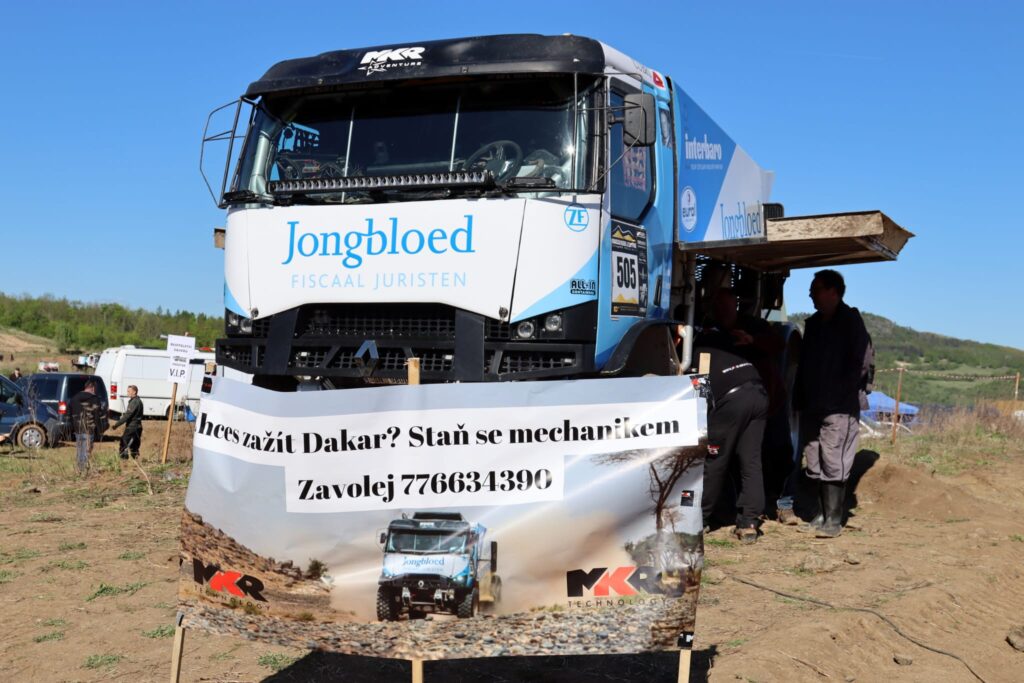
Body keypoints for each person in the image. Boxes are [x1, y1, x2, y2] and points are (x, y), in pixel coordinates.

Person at [791, 269, 869, 538]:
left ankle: (834, 519)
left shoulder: (850, 322)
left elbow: (860, 364)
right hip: (813, 404)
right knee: (814, 460)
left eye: (816, 289)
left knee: (834, 459)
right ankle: (820, 513)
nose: (810, 294)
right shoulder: (813, 325)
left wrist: (840, 393)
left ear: (833, 292)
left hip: (839, 406)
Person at [687, 298, 770, 544]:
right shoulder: (723, 343)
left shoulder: (696, 352)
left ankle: (699, 520)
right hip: (758, 392)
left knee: (714, 459)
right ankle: (749, 523)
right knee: (751, 461)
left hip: (733, 400)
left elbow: (701, 397)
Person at [69, 379, 102, 473]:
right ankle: (84, 471)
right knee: (87, 451)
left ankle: (79, 469)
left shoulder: (74, 398)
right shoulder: (94, 399)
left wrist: (73, 427)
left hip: (78, 429)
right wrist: (99, 430)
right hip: (89, 429)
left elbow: (69, 414)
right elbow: (97, 416)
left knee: (79, 451)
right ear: (93, 388)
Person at [112, 385, 143, 459]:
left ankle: (124, 460)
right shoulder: (137, 401)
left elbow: (127, 415)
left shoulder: (135, 402)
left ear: (134, 392)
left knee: (123, 443)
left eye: (129, 391)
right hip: (137, 427)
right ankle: (135, 460)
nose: (127, 393)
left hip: (132, 427)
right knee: (134, 446)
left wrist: (116, 425)